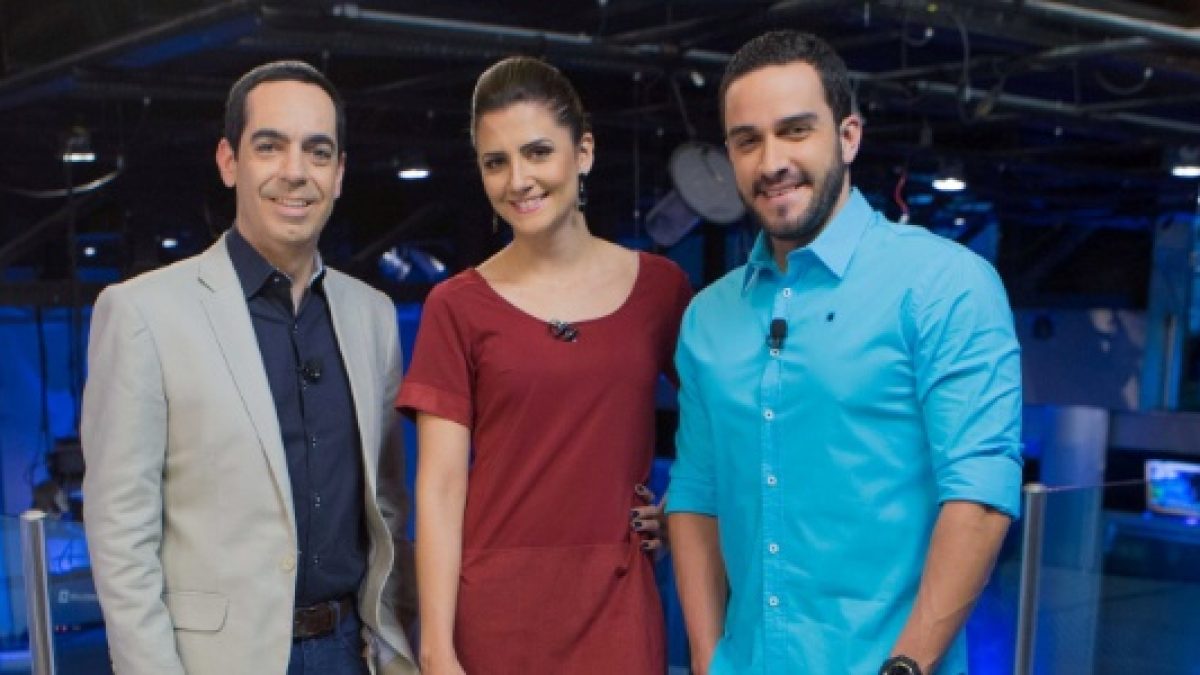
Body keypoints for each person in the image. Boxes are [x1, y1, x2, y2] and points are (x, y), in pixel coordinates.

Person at [667, 30, 1023, 675]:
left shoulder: (945, 284)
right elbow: (696, 493)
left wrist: (905, 667)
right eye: (748, 141)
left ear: (848, 136)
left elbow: (979, 494)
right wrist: (706, 658)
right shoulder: (707, 317)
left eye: (795, 131)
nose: (771, 162)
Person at [81, 60, 417, 675]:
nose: (296, 171)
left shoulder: (372, 316)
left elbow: (386, 508)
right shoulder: (141, 313)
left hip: (351, 652)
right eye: (270, 146)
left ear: (339, 173)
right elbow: (120, 535)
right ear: (229, 161)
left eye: (318, 152)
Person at [398, 55, 691, 674]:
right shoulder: (456, 306)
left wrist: (681, 507)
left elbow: (729, 417)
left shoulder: (660, 289)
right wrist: (436, 649)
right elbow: (441, 488)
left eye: (537, 153)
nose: (518, 180)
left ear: (583, 152)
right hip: (495, 617)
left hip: (618, 609)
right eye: (495, 162)